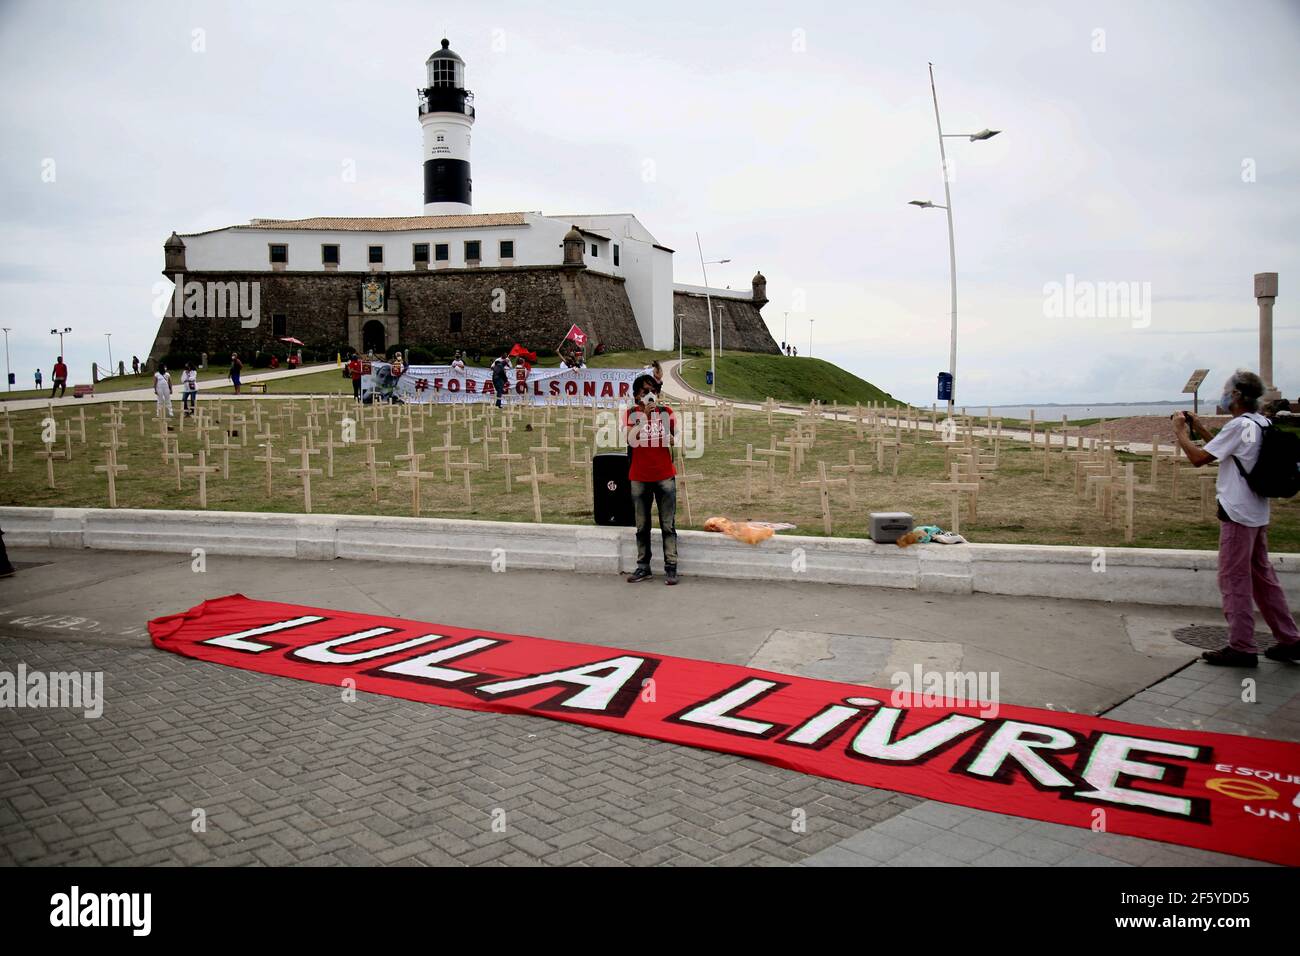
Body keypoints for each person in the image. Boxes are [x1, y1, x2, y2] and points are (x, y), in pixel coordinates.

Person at [1173, 369, 1299, 666]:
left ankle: (1242, 646)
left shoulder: (1237, 426)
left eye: (1227, 390)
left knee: (1233, 578)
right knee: (1263, 577)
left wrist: (1179, 431)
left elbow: (1199, 459)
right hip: (1257, 512)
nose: (1224, 394)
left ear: (1237, 395)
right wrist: (1202, 429)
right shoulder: (1260, 422)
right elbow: (1227, 452)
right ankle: (1289, 638)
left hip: (1237, 513)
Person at [624, 374, 679, 585]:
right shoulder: (631, 413)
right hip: (639, 475)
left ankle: (671, 567)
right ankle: (643, 566)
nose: (650, 395)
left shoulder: (666, 412)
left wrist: (672, 436)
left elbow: (674, 436)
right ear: (637, 394)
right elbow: (630, 438)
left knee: (668, 525)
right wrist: (645, 417)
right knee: (642, 526)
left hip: (664, 474)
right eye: (645, 391)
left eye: (653, 390)